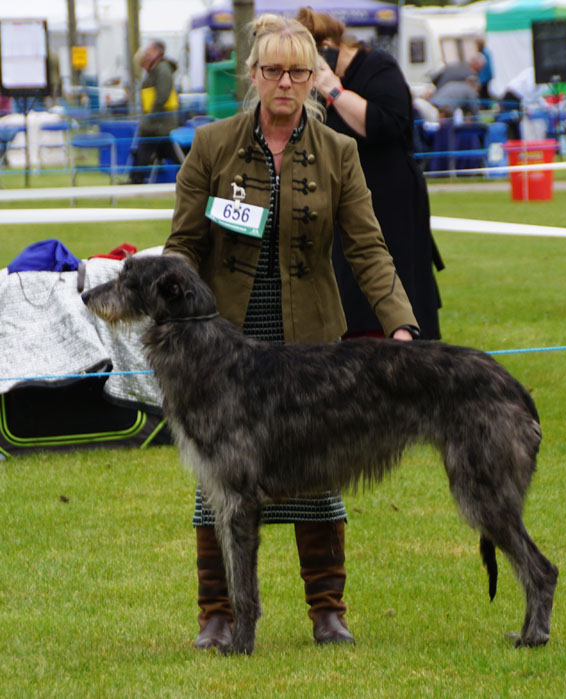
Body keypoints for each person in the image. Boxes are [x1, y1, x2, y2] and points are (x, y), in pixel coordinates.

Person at [164, 13, 420, 651]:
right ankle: (217, 614)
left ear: (314, 77)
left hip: (309, 338)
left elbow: (368, 248)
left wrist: (401, 328)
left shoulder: (340, 151)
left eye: (299, 71)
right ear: (252, 75)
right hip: (223, 344)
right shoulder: (212, 144)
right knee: (220, 483)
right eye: (273, 70)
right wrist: (175, 322)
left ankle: (327, 610)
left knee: (316, 476)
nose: (286, 82)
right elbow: (182, 246)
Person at [297, 7, 443, 340]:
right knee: (349, 278)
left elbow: (383, 124)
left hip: (390, 195)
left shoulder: (378, 67)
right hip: (345, 194)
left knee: (394, 272)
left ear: (331, 44)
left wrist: (335, 91)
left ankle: (404, 339)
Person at [129, 40, 181, 184]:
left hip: (159, 122)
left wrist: (150, 117)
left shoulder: (162, 70)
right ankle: (136, 178)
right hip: (159, 122)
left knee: (146, 145)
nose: (146, 52)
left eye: (149, 50)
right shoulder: (157, 70)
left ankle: (136, 179)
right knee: (167, 150)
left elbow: (162, 96)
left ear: (157, 52)